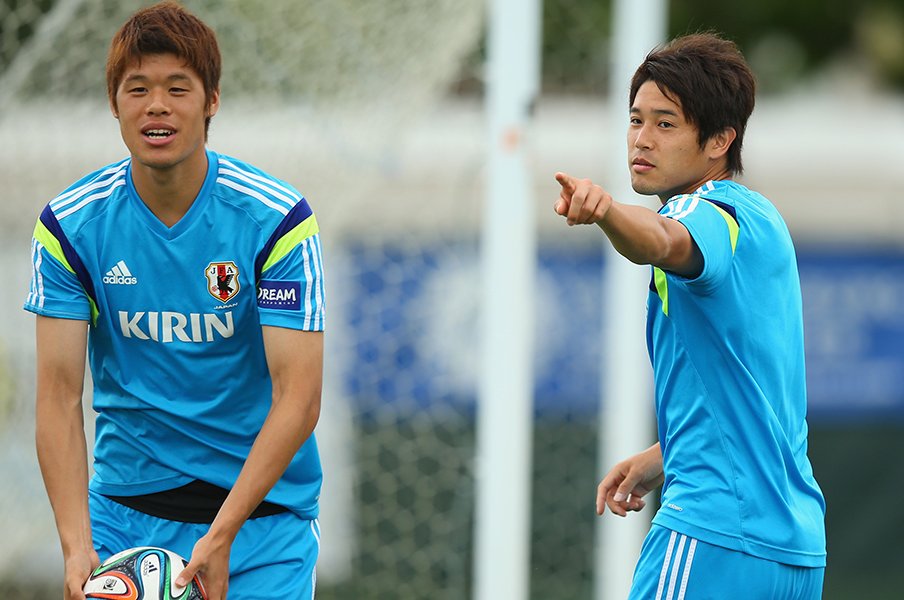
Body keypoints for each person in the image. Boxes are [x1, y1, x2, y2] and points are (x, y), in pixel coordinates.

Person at [24, 3, 325, 599]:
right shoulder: (70, 227)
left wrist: (221, 536)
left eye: (177, 88)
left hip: (259, 526)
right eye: (137, 89)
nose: (156, 105)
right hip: (124, 523)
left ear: (212, 100)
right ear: (115, 104)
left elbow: (300, 397)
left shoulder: (276, 221)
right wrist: (77, 545)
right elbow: (58, 396)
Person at [553, 33, 826, 598]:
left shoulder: (698, 210)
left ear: (719, 140)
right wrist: (666, 453)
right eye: (636, 120)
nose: (642, 140)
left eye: (666, 124)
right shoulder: (762, 218)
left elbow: (664, 240)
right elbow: (757, 393)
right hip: (794, 551)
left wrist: (605, 210)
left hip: (714, 534)